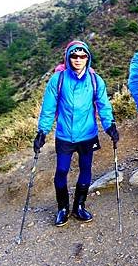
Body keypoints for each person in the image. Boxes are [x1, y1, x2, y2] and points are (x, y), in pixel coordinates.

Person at [33, 40, 120, 226]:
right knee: (62, 170)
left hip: (87, 135)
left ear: (87, 58)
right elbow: (48, 108)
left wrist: (110, 126)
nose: (78, 59)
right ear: (68, 57)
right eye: (74, 55)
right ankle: (62, 208)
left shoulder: (95, 80)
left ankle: (79, 206)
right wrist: (42, 131)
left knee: (86, 169)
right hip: (64, 135)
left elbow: (104, 105)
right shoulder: (58, 79)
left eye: (82, 56)